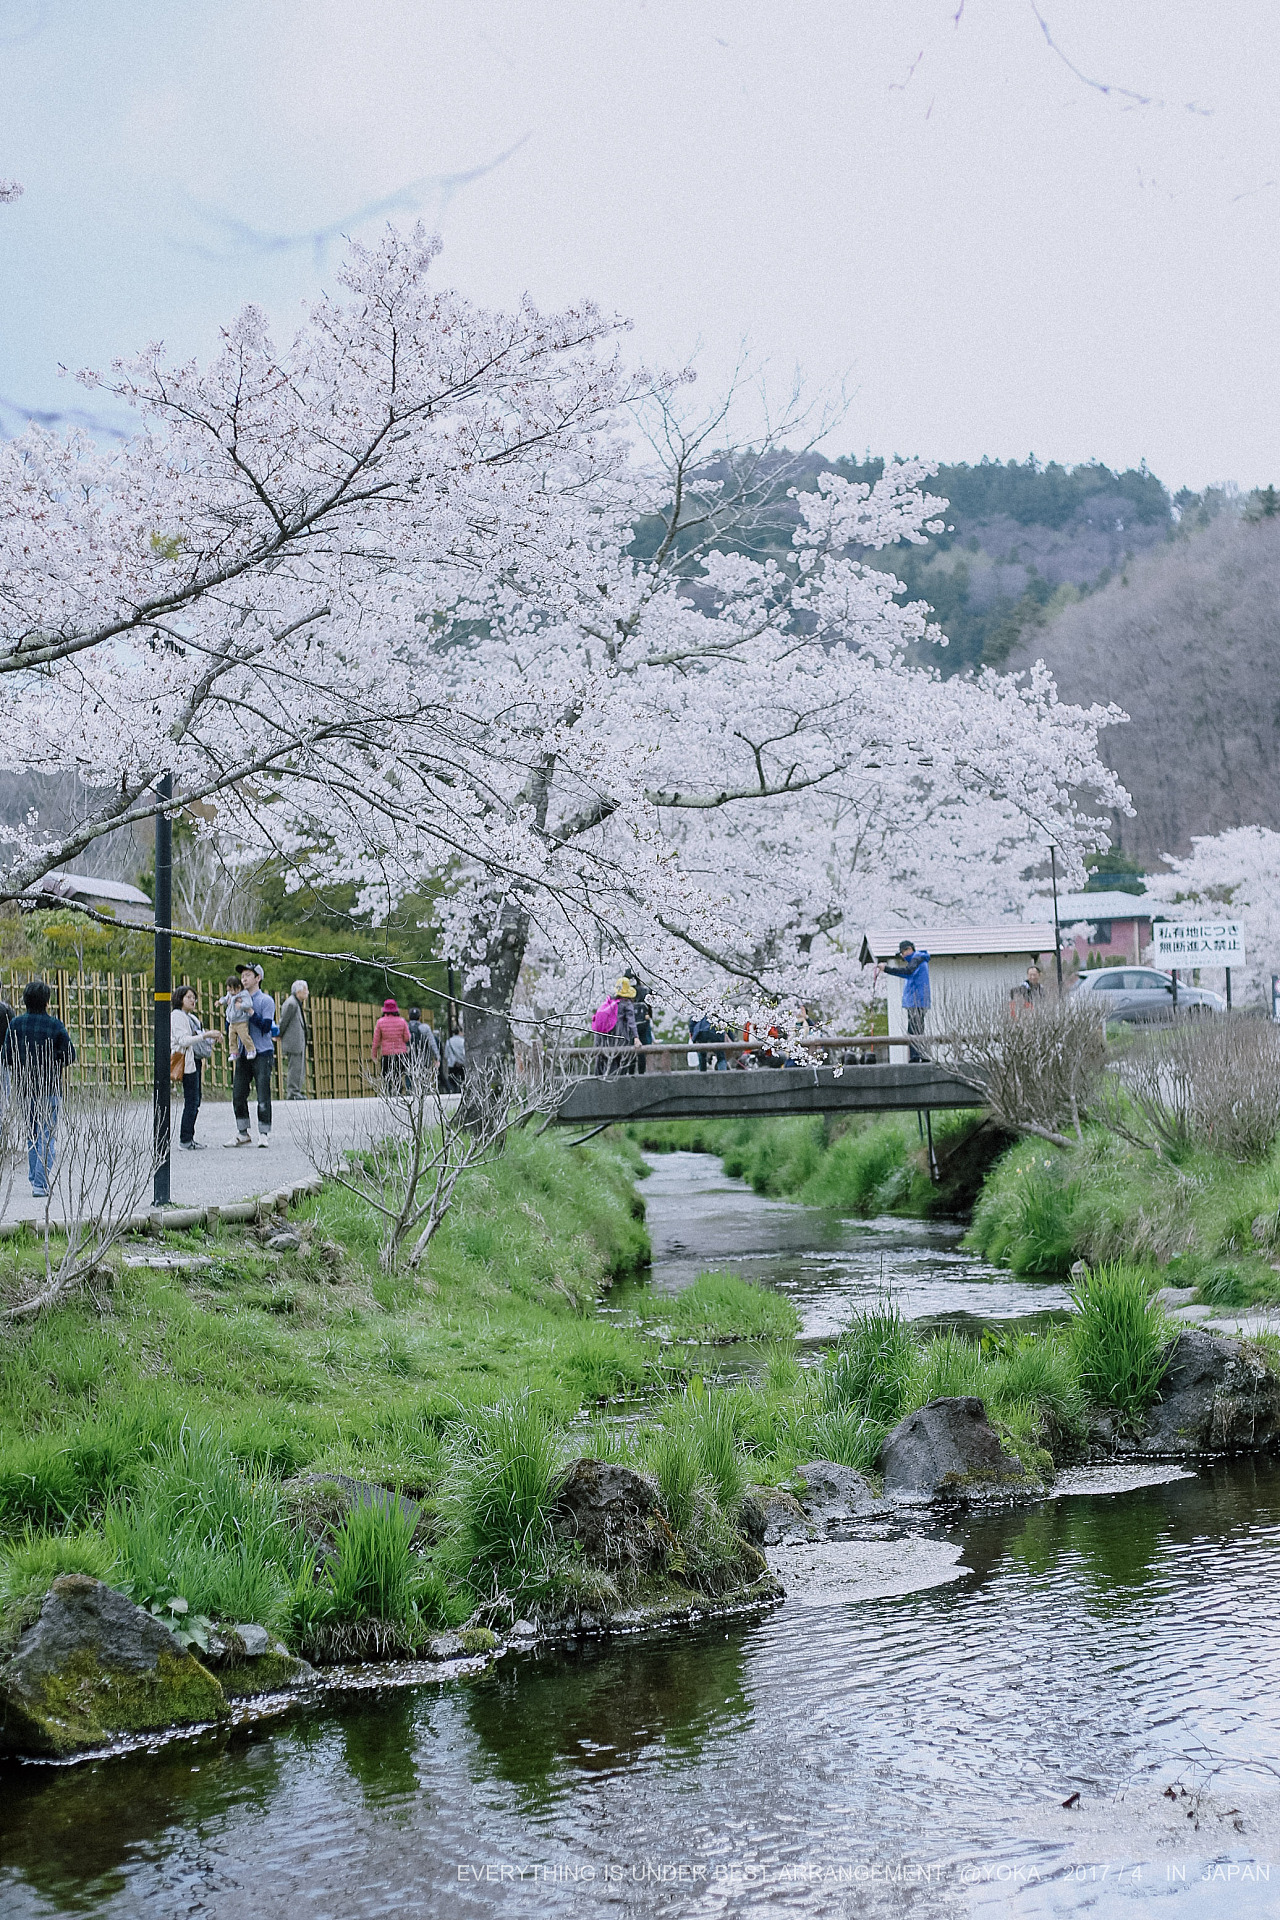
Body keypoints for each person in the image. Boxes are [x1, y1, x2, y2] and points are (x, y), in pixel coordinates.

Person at [1, 980, 76, 1197]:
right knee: (47, 1135)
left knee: (32, 1134)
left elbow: (6, 1057)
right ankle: (40, 1183)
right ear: (47, 1001)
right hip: (50, 1088)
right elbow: (70, 1054)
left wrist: (23, 1063)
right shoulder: (55, 1025)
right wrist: (53, 1060)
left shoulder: (15, 1024)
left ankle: (35, 1177)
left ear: (24, 1000)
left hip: (26, 1089)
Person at [227, 964, 275, 1149]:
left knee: (263, 1093)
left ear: (258, 978)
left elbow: (266, 1027)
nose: (244, 978)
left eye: (248, 975)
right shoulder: (236, 998)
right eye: (242, 976)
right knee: (238, 1093)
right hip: (243, 1052)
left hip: (262, 1051)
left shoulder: (265, 1000)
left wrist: (249, 1012)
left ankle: (263, 1133)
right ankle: (242, 1132)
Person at [170, 985, 218, 1150]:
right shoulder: (177, 1016)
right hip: (186, 1060)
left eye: (194, 997)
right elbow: (183, 1040)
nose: (193, 1000)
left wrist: (209, 1038)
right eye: (189, 997)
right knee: (192, 1100)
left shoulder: (191, 1017)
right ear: (180, 998)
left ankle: (189, 1137)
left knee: (195, 1099)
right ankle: (185, 1139)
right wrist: (205, 1035)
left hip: (194, 1060)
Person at [883, 939, 931, 1061]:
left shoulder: (917, 959)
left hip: (917, 1001)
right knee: (917, 1029)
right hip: (918, 1001)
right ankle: (920, 1055)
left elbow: (907, 972)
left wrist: (886, 969)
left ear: (909, 949)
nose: (902, 956)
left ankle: (917, 1056)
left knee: (914, 1030)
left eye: (902, 953)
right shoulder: (919, 960)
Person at [594, 977, 641, 1075]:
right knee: (619, 1065)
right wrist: (636, 1037)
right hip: (620, 1038)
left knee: (606, 1064)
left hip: (605, 1039)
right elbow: (631, 1022)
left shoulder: (610, 1002)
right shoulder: (626, 1004)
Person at [277, 979, 310, 1100]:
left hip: (297, 1041)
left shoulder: (296, 1003)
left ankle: (296, 1091)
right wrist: (279, 1033)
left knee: (298, 1067)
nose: (307, 992)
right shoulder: (291, 1003)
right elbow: (284, 1020)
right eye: (305, 990)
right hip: (293, 1041)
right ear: (298, 991)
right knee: (294, 1067)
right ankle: (293, 1092)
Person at [371, 996, 412, 1091]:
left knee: (386, 1075)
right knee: (398, 1074)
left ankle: (388, 1092)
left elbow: (376, 1040)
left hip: (386, 1053)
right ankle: (399, 1090)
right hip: (400, 1053)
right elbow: (407, 1037)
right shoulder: (402, 1021)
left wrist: (374, 1054)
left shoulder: (380, 1022)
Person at [219, 972, 258, 1061]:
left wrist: (241, 1005)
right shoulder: (230, 994)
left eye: (232, 990)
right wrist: (220, 1002)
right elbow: (225, 998)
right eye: (229, 991)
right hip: (232, 1021)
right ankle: (234, 1052)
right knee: (231, 1038)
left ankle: (251, 1050)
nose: (230, 993)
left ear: (238, 988)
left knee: (244, 1036)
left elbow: (249, 1003)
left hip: (241, 1020)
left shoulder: (243, 994)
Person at [407, 1007, 440, 1089]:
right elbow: (432, 1043)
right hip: (424, 1058)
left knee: (410, 1077)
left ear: (408, 1017)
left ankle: (410, 1093)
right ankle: (422, 1095)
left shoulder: (405, 1027)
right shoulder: (425, 1028)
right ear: (420, 1017)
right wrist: (437, 1057)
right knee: (423, 1079)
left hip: (409, 1058)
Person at [633, 983, 654, 1076]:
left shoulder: (630, 990)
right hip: (644, 1023)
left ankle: (630, 1072)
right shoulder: (645, 991)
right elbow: (650, 1008)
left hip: (632, 1024)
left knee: (631, 1050)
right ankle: (642, 1072)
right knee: (642, 1049)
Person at [443, 1023, 466, 1094]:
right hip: (462, 1063)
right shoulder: (463, 1041)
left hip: (452, 1063)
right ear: (460, 1032)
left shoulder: (449, 1041)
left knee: (452, 1079)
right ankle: (461, 1091)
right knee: (463, 1079)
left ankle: (453, 1091)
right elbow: (464, 1053)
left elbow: (446, 1055)